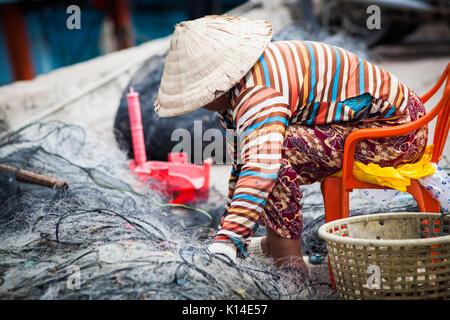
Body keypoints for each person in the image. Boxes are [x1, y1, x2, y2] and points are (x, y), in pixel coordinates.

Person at [154, 15, 428, 273]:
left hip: (396, 134)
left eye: (198, 96)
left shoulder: (258, 95)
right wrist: (230, 234)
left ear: (216, 86)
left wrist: (227, 240)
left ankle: (291, 270)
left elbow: (260, 168)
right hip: (386, 121)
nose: (199, 105)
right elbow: (241, 162)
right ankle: (275, 244)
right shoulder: (239, 89)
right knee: (264, 151)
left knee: (275, 155)